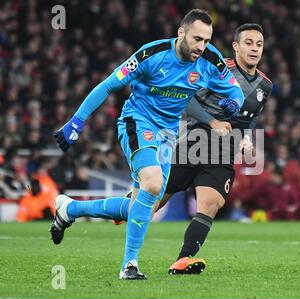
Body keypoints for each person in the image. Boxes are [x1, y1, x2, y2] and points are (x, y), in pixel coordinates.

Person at [50, 9, 244, 280]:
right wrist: (76, 122)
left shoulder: (210, 59)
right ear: (181, 33)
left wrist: (234, 101)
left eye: (207, 40)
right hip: (137, 121)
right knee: (153, 184)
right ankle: (129, 264)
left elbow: (234, 88)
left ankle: (69, 209)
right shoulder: (151, 55)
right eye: (197, 38)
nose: (202, 46)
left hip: (168, 134)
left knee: (140, 204)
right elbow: (108, 86)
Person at [115, 23, 272, 274]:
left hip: (223, 151)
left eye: (259, 44)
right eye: (248, 43)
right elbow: (186, 98)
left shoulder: (265, 85)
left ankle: (183, 259)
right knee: (152, 199)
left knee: (210, 204)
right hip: (192, 142)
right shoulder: (217, 69)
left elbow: (250, 117)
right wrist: (212, 121)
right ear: (236, 47)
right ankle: (80, 210)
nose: (254, 49)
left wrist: (247, 137)